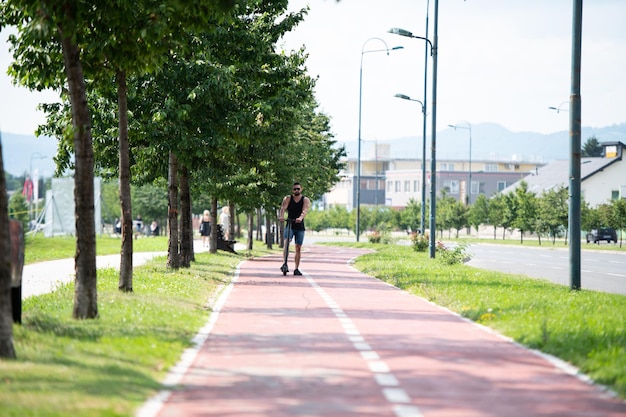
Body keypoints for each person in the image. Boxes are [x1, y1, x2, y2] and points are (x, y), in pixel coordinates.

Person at [278, 182, 311, 276]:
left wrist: (300, 218)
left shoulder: (305, 199)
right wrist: (281, 216)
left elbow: (305, 210)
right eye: (295, 189)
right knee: (286, 243)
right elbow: (283, 208)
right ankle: (285, 263)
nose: (296, 190)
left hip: (299, 225)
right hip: (290, 224)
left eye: (298, 189)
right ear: (292, 190)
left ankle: (296, 268)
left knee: (298, 247)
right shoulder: (288, 198)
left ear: (301, 189)